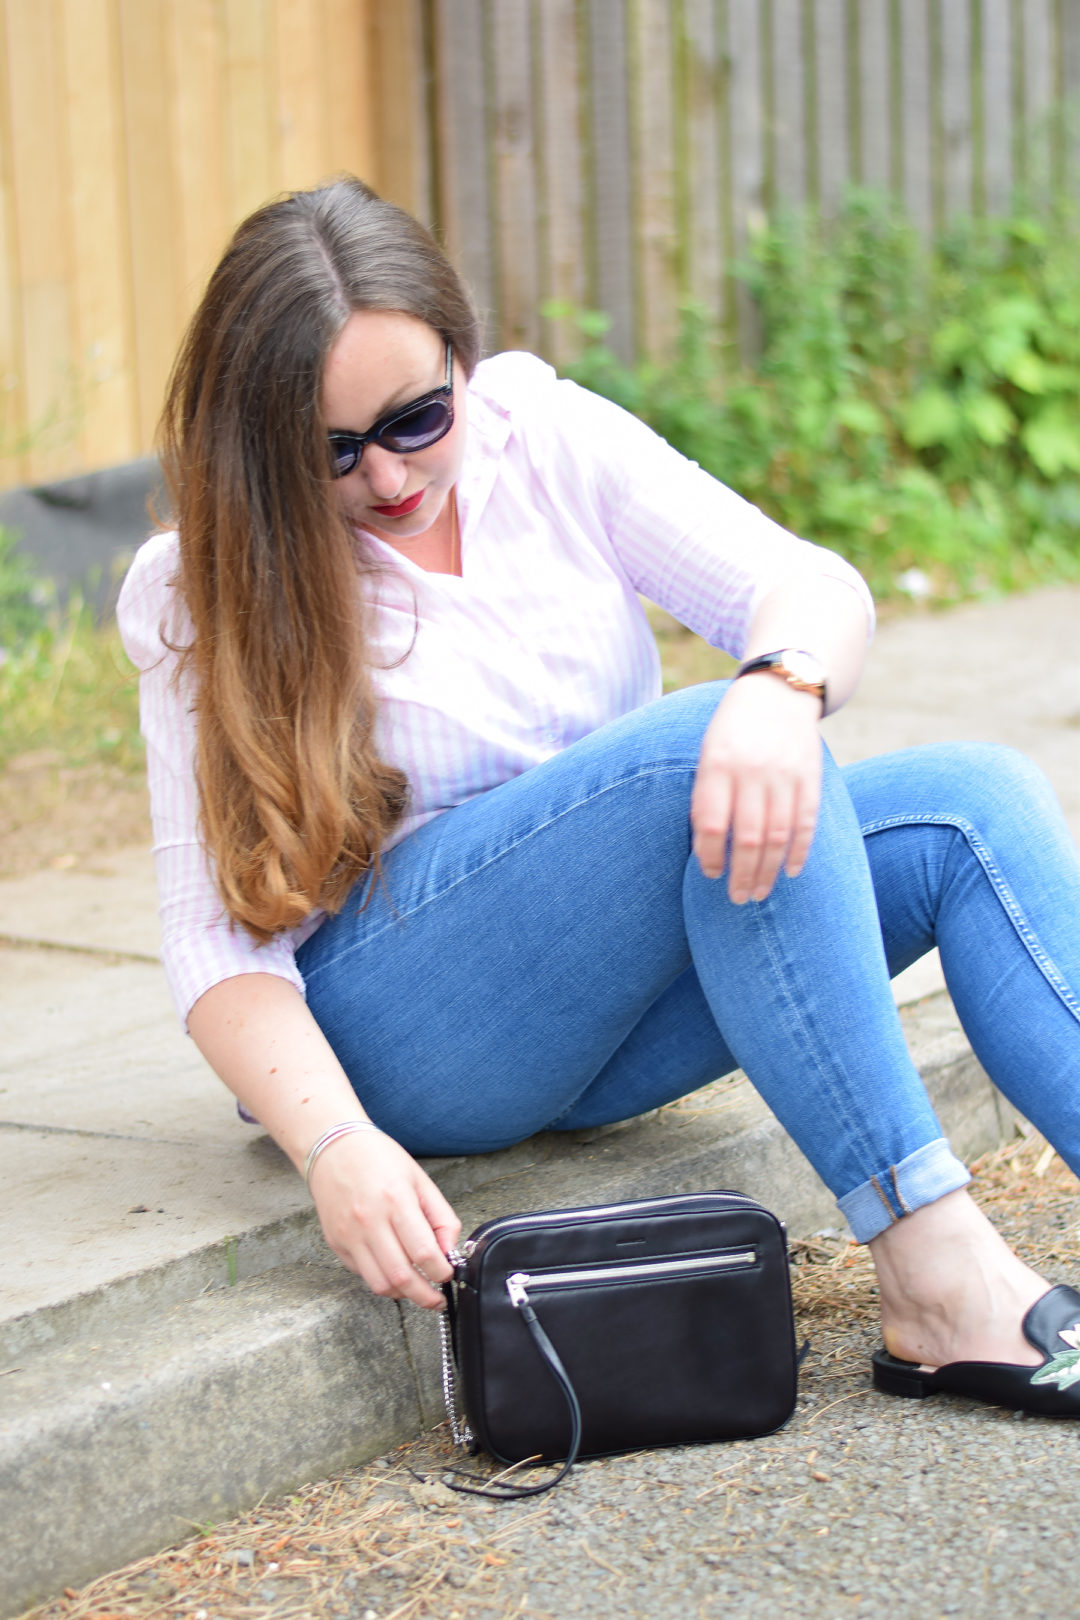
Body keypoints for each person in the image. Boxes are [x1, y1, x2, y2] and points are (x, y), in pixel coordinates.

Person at [118, 176, 1080, 1416]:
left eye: (417, 419)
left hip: (611, 1010)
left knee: (973, 806)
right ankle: (937, 1273)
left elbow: (806, 585)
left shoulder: (545, 439)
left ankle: (962, 1279)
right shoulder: (196, 585)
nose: (390, 480)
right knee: (699, 754)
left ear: (464, 360)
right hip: (404, 1029)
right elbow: (212, 939)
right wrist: (336, 1144)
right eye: (331, 452)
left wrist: (784, 687)